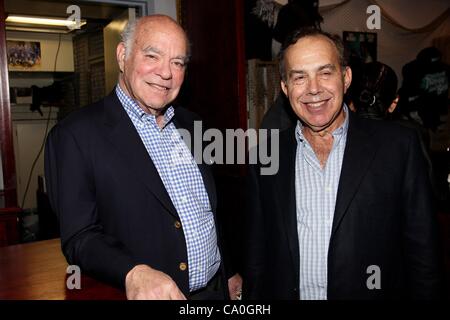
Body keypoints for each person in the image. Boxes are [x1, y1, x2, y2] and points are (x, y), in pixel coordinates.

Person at [44, 15, 241, 300]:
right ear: (123, 56)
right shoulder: (74, 135)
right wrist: (132, 271)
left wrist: (229, 270)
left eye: (178, 63)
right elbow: (79, 237)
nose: (166, 73)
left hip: (214, 291)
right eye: (153, 56)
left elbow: (206, 211)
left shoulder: (193, 124)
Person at [243, 28, 442, 299]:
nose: (313, 89)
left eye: (325, 73)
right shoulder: (264, 156)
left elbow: (424, 255)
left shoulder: (398, 147)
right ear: (285, 87)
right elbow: (258, 256)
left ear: (345, 77)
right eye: (299, 76)